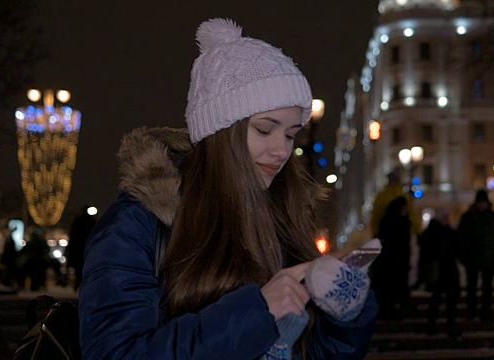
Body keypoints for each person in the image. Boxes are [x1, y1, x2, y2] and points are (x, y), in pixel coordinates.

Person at [79, 18, 378, 359]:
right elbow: (114, 353)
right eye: (265, 130)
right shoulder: (138, 225)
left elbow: (312, 352)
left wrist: (346, 316)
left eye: (291, 134)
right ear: (222, 133)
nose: (282, 150)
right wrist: (257, 313)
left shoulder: (283, 215)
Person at [456, 189, 494, 321]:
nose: (482, 205)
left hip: (488, 258)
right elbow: (461, 238)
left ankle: (485, 312)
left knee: (486, 288)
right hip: (473, 258)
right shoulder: (469, 217)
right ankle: (472, 312)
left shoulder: (493, 217)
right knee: (472, 287)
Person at [419, 207, 462, 338]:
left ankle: (442, 326)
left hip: (445, 270)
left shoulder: (435, 232)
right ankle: (440, 326)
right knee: (439, 300)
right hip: (442, 271)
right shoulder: (439, 232)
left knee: (445, 300)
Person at [369, 196, 413, 320]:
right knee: (393, 289)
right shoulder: (400, 223)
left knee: (390, 290)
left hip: (390, 262)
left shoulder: (389, 221)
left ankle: (392, 311)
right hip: (394, 263)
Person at [369, 171, 422, 239]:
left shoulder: (381, 197)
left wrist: (375, 233)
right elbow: (412, 215)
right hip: (401, 235)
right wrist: (419, 231)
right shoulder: (402, 197)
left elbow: (375, 216)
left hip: (384, 235)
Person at [65, 205, 97, 291]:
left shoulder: (80, 221)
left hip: (80, 248)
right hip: (85, 248)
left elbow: (73, 235)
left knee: (79, 267)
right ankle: (80, 283)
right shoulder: (90, 221)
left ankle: (78, 283)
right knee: (83, 267)